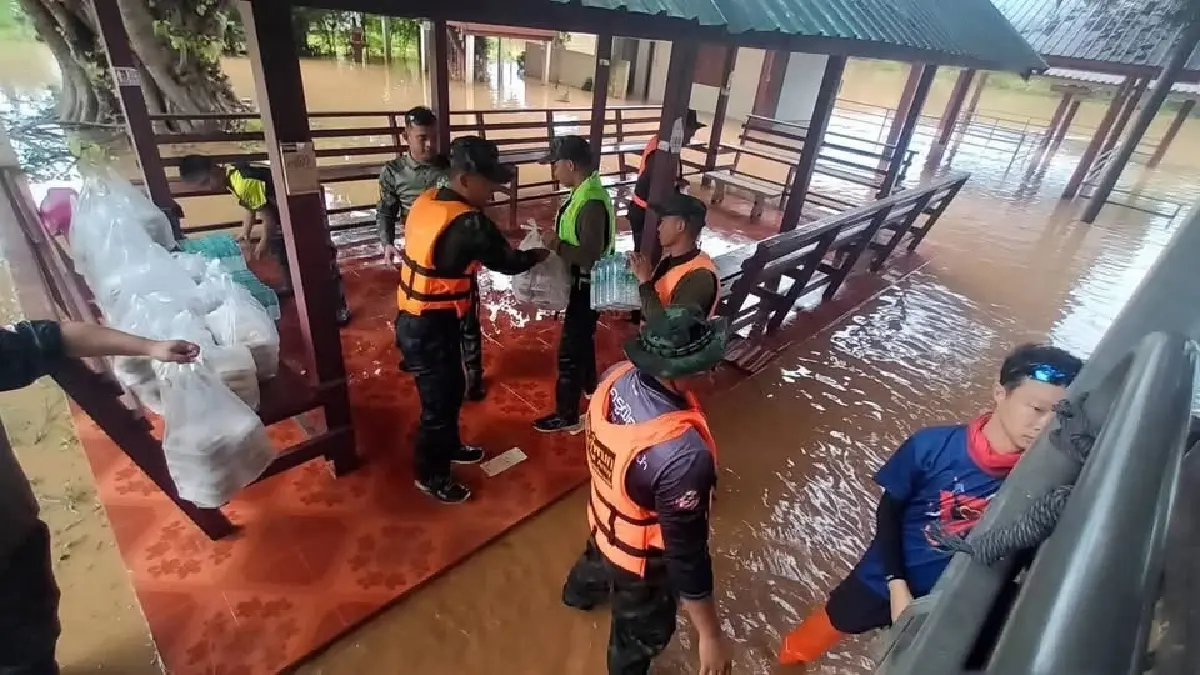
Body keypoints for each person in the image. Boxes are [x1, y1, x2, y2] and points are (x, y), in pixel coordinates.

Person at [778, 343, 1084, 666]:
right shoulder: (931, 447)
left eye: (1058, 413)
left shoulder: (1043, 477)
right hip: (883, 580)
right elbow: (888, 513)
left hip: (959, 599)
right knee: (804, 647)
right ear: (1000, 394)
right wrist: (896, 585)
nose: (1045, 424)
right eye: (1036, 409)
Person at [0, 320, 198, 675]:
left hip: (12, 546)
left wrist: (152, 347)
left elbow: (49, 338)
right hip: (12, 544)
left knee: (27, 640)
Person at [562, 306, 733, 675]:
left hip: (605, 519)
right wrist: (710, 635)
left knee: (594, 566)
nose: (711, 371)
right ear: (678, 375)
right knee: (640, 634)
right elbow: (686, 555)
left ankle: (575, 599)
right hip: (643, 561)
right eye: (706, 364)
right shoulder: (682, 455)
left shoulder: (615, 377)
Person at [394, 135, 549, 504]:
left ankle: (449, 447)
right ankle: (430, 474)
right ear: (464, 180)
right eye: (489, 184)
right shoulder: (469, 224)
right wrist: (540, 253)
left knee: (450, 390)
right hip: (427, 326)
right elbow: (509, 262)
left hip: (424, 317)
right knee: (439, 402)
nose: (494, 192)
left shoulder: (427, 200)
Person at [377, 106, 486, 401]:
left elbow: (473, 202)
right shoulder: (393, 172)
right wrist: (387, 242)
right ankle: (417, 356)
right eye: (422, 138)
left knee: (466, 313)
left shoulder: (450, 167)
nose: (429, 145)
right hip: (419, 255)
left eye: (434, 138)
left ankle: (474, 375)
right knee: (413, 307)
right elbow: (386, 211)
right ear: (406, 136)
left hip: (455, 256)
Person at [177, 155, 352, 326]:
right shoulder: (232, 174)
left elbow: (268, 219)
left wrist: (262, 245)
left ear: (214, 169)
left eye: (206, 182)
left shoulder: (244, 182)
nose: (208, 188)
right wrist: (245, 232)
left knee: (320, 259)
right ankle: (292, 287)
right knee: (283, 252)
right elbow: (251, 207)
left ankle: (338, 308)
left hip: (303, 206)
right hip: (283, 209)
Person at [534, 136, 616, 434]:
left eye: (555, 164)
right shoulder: (584, 191)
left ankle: (566, 414)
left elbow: (590, 257)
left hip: (588, 285)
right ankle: (591, 386)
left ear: (570, 164)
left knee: (570, 350)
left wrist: (554, 243)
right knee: (583, 338)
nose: (553, 170)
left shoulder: (591, 202)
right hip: (582, 284)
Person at [629, 194, 719, 322]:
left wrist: (645, 281)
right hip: (650, 339)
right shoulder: (670, 259)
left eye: (663, 221)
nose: (658, 228)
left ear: (680, 226)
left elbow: (671, 331)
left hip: (663, 340)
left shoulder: (700, 277)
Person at [627, 110, 705, 254]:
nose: (692, 136)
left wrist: (677, 182)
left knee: (650, 254)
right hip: (644, 211)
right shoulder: (660, 151)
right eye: (690, 132)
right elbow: (654, 181)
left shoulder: (668, 146)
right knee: (645, 254)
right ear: (680, 130)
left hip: (648, 208)